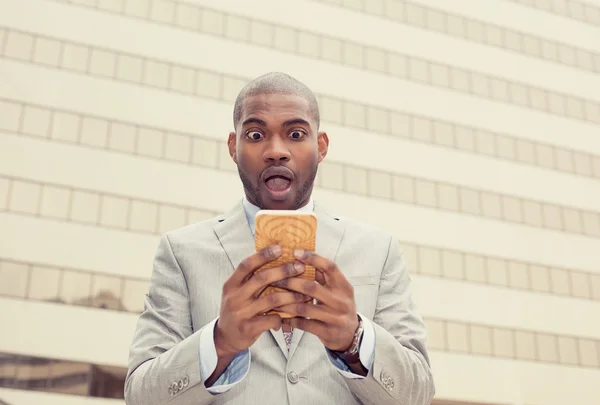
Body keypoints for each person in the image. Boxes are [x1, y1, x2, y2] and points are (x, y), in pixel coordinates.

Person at [124, 72, 435, 405]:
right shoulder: (181, 251)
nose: (276, 151)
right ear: (234, 147)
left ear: (321, 146)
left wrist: (355, 339)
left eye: (296, 134)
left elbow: (417, 396)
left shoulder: (378, 250)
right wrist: (219, 343)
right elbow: (141, 398)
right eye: (256, 134)